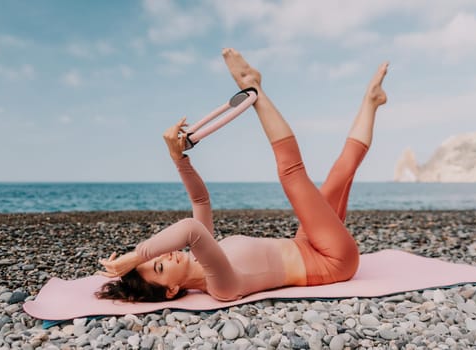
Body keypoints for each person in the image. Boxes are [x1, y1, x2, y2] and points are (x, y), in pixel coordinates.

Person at [96, 48, 388, 302]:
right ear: (172, 290)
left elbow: (201, 201)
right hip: (332, 261)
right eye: (159, 267)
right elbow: (190, 229)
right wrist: (138, 255)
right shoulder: (219, 285)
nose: (164, 256)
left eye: (156, 257)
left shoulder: (202, 255)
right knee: (291, 174)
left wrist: (179, 159)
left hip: (307, 243)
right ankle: (253, 87)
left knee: (340, 173)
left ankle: (371, 101)